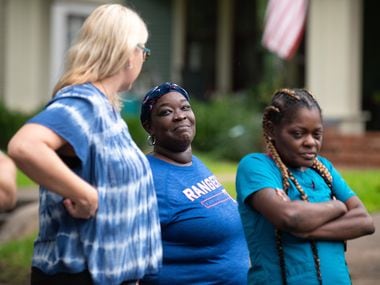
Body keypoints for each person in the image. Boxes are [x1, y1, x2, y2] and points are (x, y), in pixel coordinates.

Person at [7, 4, 162, 285]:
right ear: (128, 53)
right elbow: (25, 146)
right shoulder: (84, 102)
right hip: (79, 274)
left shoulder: (104, 109)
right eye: (144, 51)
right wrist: (86, 196)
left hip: (105, 273)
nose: (143, 59)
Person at [236, 88, 375, 285]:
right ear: (271, 129)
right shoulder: (256, 166)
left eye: (317, 134)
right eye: (298, 133)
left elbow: (364, 222)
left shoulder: (323, 168)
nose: (310, 142)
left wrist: (308, 230)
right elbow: (289, 217)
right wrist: (338, 207)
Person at [139, 82, 249, 284]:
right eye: (166, 112)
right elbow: (127, 248)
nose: (180, 115)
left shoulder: (195, 164)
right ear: (150, 126)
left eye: (185, 107)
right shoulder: (146, 177)